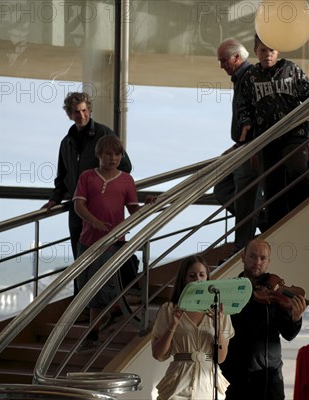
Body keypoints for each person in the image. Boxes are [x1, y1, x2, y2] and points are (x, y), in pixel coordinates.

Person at [236, 35, 309, 228]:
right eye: (263, 50)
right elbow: (245, 107)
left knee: (297, 169)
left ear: (278, 52)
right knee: (273, 188)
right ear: (256, 51)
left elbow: (308, 91)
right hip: (267, 139)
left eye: (271, 51)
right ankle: (277, 230)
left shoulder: (291, 69)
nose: (267, 55)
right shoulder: (250, 77)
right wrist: (246, 127)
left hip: (294, 132)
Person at [42, 92, 132, 262]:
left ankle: (102, 289)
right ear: (70, 114)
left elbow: (125, 166)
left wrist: (104, 189)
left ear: (89, 110)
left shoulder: (104, 133)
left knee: (104, 258)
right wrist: (55, 199)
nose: (81, 115)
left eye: (84, 110)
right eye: (76, 112)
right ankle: (80, 290)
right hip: (76, 208)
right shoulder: (66, 142)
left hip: (100, 207)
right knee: (79, 259)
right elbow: (62, 176)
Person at [73, 135, 139, 351]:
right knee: (86, 287)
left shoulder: (127, 180)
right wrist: (94, 222)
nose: (113, 158)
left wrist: (148, 206)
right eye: (109, 153)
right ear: (99, 155)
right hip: (88, 242)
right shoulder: (87, 177)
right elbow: (78, 206)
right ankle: (117, 309)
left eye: (117, 154)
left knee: (99, 288)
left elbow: (133, 211)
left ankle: (93, 333)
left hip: (113, 243)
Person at [220, 239, 306, 400]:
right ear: (243, 257)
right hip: (237, 378)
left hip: (271, 378)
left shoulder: (276, 292)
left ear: (268, 262)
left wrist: (295, 319)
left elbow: (288, 334)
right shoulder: (229, 290)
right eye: (252, 256)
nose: (257, 262)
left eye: (263, 258)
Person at [152, 255, 235, 400]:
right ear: (184, 279)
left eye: (202, 275)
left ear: (207, 278)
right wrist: (173, 325)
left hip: (208, 386)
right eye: (192, 275)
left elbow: (221, 358)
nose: (198, 279)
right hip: (177, 384)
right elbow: (158, 354)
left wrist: (218, 328)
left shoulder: (220, 311)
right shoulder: (169, 309)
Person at [213, 39, 263, 253]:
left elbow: (255, 114)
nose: (221, 65)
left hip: (251, 147)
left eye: (224, 60)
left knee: (244, 197)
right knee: (224, 189)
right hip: (244, 146)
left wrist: (249, 144)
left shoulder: (250, 77)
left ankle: (242, 246)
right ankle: (266, 220)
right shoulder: (241, 78)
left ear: (237, 58)